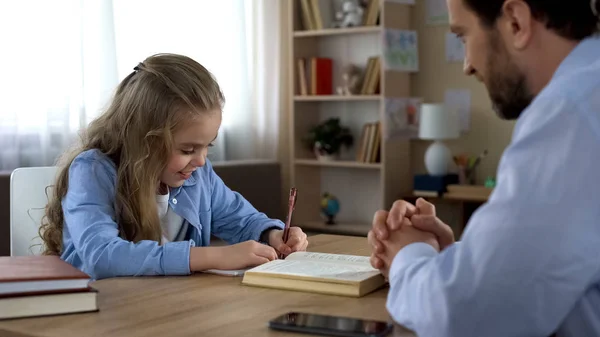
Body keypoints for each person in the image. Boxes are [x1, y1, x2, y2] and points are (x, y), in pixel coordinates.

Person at [368, 0, 600, 336]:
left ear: (516, 21)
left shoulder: (571, 113)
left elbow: (467, 316)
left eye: (462, 35)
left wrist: (408, 256)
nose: (467, 66)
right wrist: (461, 259)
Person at [39, 53, 308, 280]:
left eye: (207, 147)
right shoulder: (93, 171)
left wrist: (272, 234)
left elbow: (243, 220)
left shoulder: (198, 176)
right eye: (187, 150)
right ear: (143, 140)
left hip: (176, 310)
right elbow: (102, 256)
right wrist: (211, 256)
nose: (201, 161)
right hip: (104, 313)